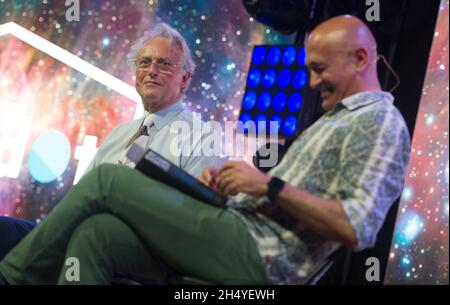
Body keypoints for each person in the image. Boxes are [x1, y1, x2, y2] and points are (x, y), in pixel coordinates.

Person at [0, 15, 411, 285]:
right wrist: (233, 187)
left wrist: (266, 185)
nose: (311, 82)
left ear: (359, 59)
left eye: (319, 69)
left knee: (110, 179)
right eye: (144, 64)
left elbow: (358, 228)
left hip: (256, 255)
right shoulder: (339, 119)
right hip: (233, 231)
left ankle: (11, 277)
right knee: (96, 235)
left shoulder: (379, 123)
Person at [0, 23, 223, 262]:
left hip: (134, 249)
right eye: (144, 63)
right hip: (75, 235)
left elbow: (192, 216)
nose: (152, 70)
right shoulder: (119, 134)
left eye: (164, 63)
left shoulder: (202, 137)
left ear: (185, 77)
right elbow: (78, 198)